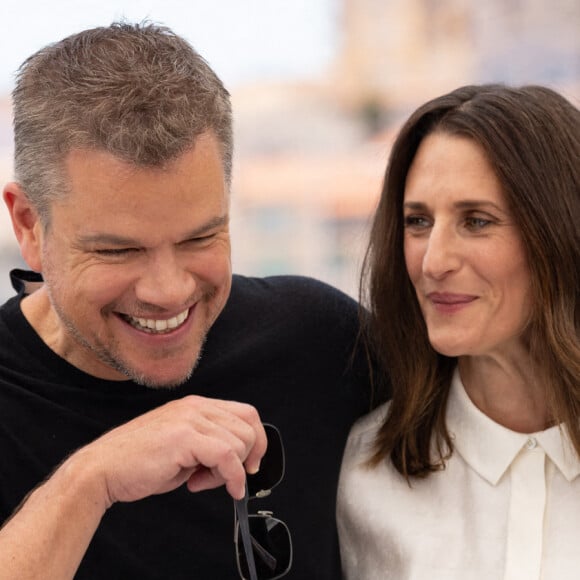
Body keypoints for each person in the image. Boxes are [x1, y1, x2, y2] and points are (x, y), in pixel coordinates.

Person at [0, 22, 372, 578]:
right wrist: (89, 482)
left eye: (200, 238)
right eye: (118, 250)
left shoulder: (320, 341)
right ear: (29, 224)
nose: (168, 290)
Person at [337, 84, 580, 579]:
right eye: (418, 220)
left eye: (476, 221)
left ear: (559, 232)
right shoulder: (362, 478)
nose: (434, 261)